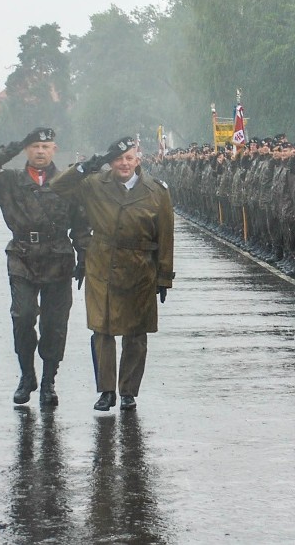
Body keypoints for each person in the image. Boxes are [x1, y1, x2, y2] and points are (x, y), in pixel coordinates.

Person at [0, 127, 90, 406]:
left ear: (54, 150)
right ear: (26, 149)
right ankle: (27, 376)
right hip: (22, 255)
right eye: (33, 146)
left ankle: (48, 381)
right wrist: (7, 149)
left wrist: (84, 255)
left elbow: (82, 222)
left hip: (58, 256)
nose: (39, 151)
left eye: (45, 147)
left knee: (54, 324)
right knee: (22, 317)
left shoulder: (67, 181)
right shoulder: (10, 181)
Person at [51, 136, 174, 412]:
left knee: (136, 333)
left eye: (129, 158)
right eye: (118, 159)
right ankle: (107, 390)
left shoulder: (156, 191)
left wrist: (164, 275)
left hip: (141, 266)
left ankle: (128, 391)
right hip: (102, 264)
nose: (124, 163)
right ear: (110, 162)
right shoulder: (94, 184)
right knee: (102, 330)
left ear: (138, 159)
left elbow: (166, 235)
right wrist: (84, 167)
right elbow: (57, 187)